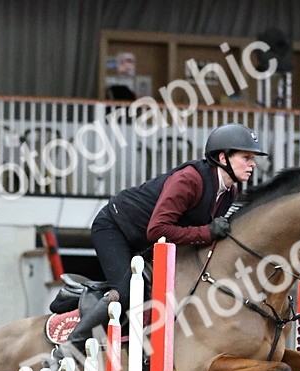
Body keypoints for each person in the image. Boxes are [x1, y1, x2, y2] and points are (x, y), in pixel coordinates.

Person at [62, 123, 267, 358]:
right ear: (223, 157)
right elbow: (157, 230)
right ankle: (69, 349)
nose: (253, 164)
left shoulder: (229, 193)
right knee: (128, 291)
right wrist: (207, 232)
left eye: (253, 158)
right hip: (115, 228)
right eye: (246, 157)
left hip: (149, 241)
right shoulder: (190, 180)